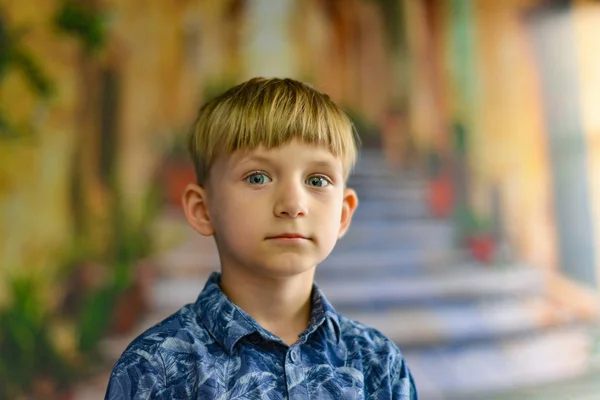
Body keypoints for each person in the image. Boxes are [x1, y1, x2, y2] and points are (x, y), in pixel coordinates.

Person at [105, 77, 417, 399]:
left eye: (317, 179)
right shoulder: (154, 369)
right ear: (203, 210)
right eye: (258, 177)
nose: (293, 205)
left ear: (342, 214)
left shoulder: (378, 365)